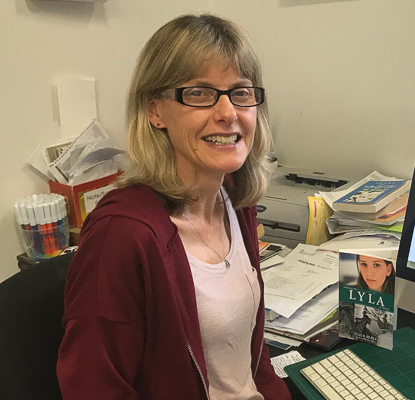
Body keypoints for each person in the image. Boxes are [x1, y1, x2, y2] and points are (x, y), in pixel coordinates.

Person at [57, 14, 290, 400]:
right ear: (156, 111)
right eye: (199, 93)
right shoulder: (122, 234)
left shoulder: (234, 198)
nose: (228, 112)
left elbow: (250, 354)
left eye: (241, 92)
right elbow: (93, 388)